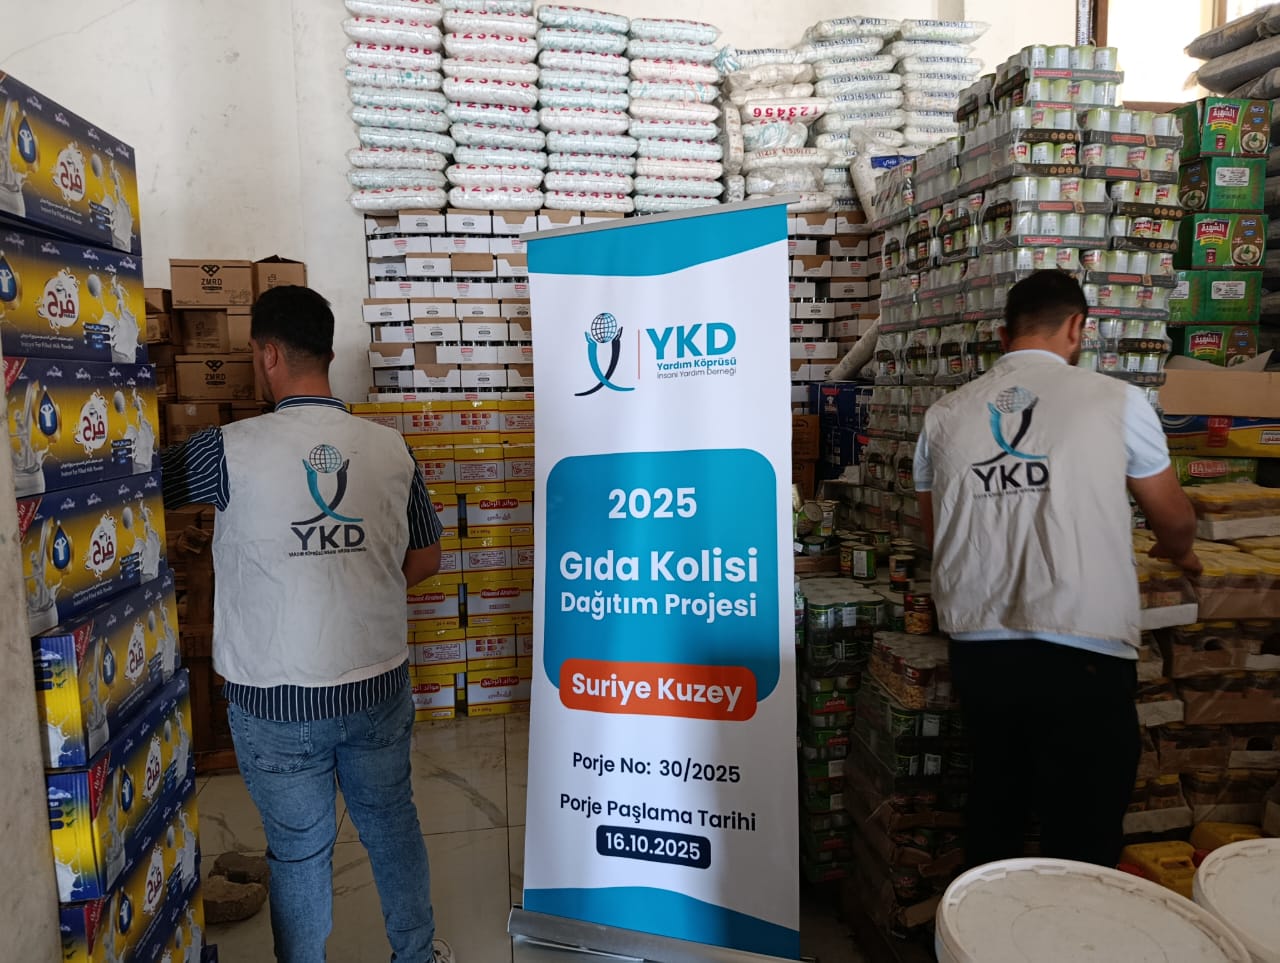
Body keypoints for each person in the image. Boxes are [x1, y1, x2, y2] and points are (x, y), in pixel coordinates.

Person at [162, 286, 452, 963]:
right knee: (392, 824)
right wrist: (360, 581)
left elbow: (137, 489)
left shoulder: (224, 451)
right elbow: (427, 556)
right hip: (376, 684)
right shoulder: (390, 448)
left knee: (298, 850)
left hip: (275, 699)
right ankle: (415, 954)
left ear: (268, 355)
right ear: (326, 353)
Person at [913, 270, 1201, 870]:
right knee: (1084, 823)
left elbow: (935, 532)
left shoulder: (943, 415)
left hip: (980, 644)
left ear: (1003, 336)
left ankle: (984, 916)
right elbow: (1172, 517)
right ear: (1077, 328)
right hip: (1083, 643)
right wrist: (1180, 552)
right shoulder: (1116, 400)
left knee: (997, 802)